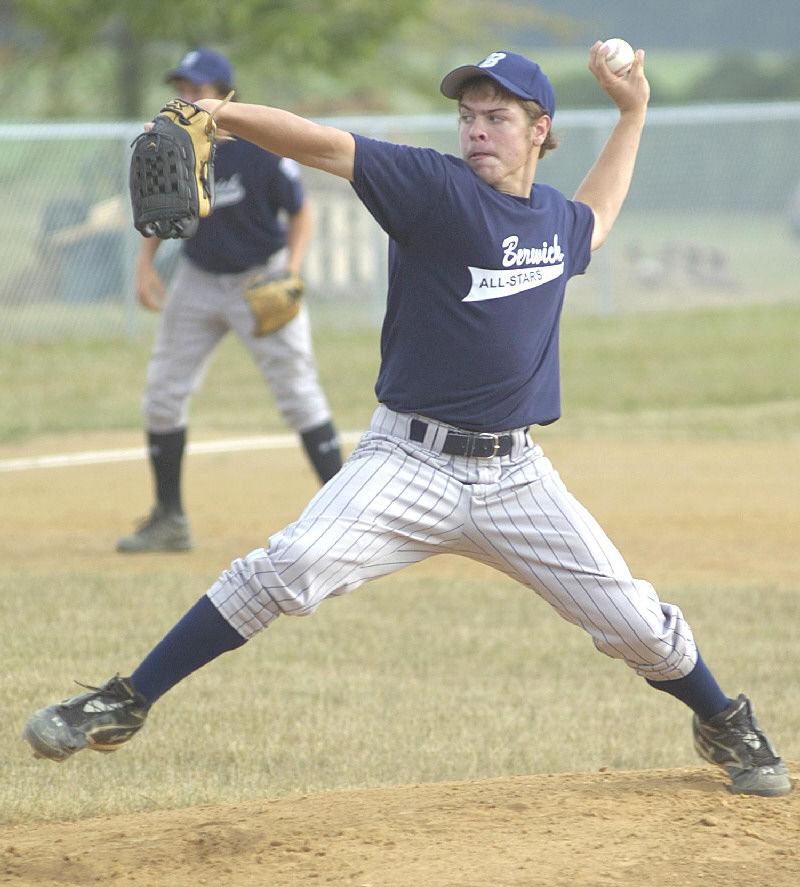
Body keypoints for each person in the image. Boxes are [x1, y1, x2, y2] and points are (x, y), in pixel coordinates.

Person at [24, 46, 790, 797]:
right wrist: (214, 116)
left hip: (517, 475)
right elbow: (326, 143)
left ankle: (723, 718)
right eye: (467, 115)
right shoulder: (433, 187)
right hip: (408, 461)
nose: (477, 130)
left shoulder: (556, 221)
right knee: (287, 568)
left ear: (539, 130)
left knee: (635, 621)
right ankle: (127, 699)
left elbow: (601, 213)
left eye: (497, 116)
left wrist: (634, 112)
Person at [117, 47, 342, 553]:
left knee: (299, 393)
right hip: (198, 279)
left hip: (258, 279)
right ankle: (169, 520)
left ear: (224, 94)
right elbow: (162, 205)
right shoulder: (173, 144)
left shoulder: (263, 147)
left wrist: (292, 267)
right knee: (163, 394)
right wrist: (144, 263)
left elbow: (300, 214)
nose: (187, 98)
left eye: (197, 90)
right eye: (182, 89)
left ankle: (350, 519)